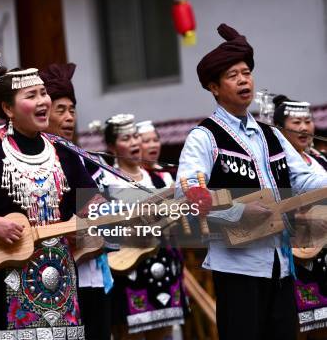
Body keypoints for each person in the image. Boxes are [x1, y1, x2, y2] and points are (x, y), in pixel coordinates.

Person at [177, 23, 327, 340]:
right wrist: (232, 211)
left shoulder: (270, 133)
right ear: (214, 88)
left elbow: (307, 180)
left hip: (281, 263)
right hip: (238, 268)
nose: (244, 80)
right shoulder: (203, 137)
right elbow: (188, 192)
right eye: (233, 75)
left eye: (246, 72)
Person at [0, 66, 96, 340]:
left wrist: (82, 221)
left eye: (43, 93)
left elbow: (93, 200)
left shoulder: (63, 151)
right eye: (31, 95)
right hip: (4, 275)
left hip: (59, 277)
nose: (42, 101)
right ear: (8, 109)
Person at [40, 63, 113, 340]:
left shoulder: (81, 158)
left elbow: (98, 203)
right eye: (61, 110)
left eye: (72, 110)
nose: (69, 117)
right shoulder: (43, 159)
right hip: (57, 277)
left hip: (93, 269)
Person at [101, 114, 186, 340]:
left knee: (165, 334)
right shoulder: (106, 182)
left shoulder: (162, 179)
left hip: (164, 266)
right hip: (126, 268)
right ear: (111, 146)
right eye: (126, 138)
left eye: (136, 136)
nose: (134, 143)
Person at [271, 97, 327, 338]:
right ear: (281, 130)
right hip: (297, 256)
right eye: (296, 122)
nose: (305, 127)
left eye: (308, 121)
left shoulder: (320, 160)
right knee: (297, 328)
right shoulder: (276, 165)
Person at [136, 120, 174, 188]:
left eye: (156, 140)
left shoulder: (165, 174)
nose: (153, 145)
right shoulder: (133, 176)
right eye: (146, 141)